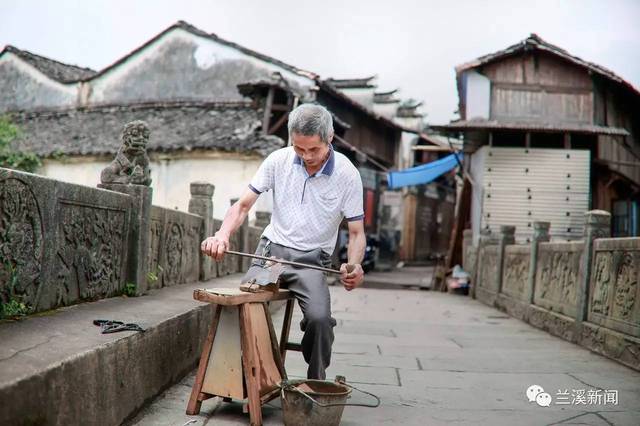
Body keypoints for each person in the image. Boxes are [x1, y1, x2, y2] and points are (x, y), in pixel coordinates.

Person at [201, 103, 366, 380]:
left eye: (314, 149)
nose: (306, 156)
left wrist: (355, 266)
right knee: (246, 307)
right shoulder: (278, 160)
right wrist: (222, 235)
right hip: (271, 252)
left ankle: (316, 384)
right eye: (299, 149)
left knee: (320, 320)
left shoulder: (347, 175)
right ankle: (252, 381)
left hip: (313, 261)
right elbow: (242, 206)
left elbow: (357, 232)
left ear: (330, 138)